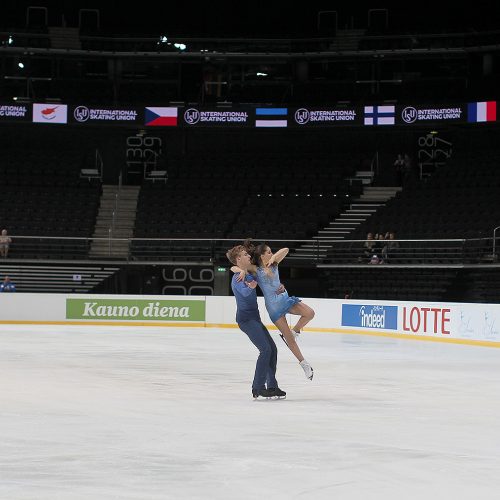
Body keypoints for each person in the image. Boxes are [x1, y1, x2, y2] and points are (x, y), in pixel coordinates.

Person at [231, 241, 314, 380]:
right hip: (274, 309)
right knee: (289, 340)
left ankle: (295, 331)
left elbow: (286, 249)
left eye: (271, 251)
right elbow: (234, 267)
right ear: (262, 256)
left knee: (310, 313)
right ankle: (304, 364)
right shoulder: (256, 269)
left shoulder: (274, 264)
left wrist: (274, 257)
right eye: (268, 252)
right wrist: (242, 270)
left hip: (285, 300)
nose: (271, 253)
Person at [226, 245, 286, 399]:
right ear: (239, 259)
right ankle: (258, 387)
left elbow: (266, 283)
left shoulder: (248, 274)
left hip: (255, 319)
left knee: (272, 348)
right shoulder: (237, 278)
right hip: (245, 320)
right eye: (245, 255)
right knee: (265, 349)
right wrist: (250, 284)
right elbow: (245, 293)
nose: (248, 257)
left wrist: (278, 288)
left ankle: (272, 386)